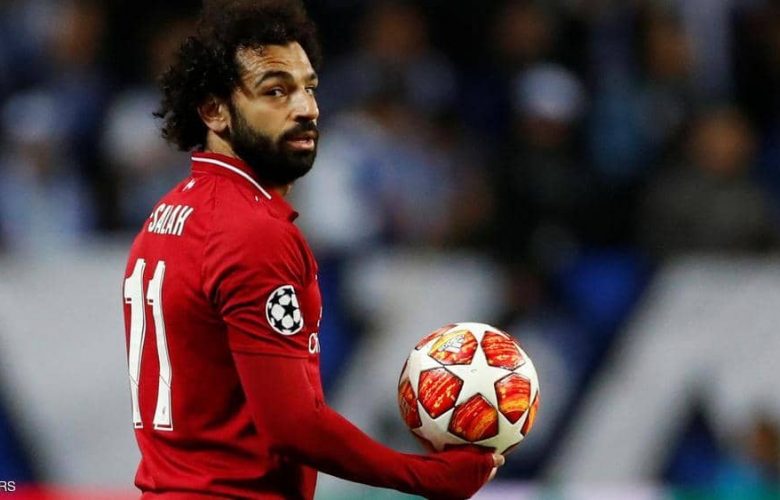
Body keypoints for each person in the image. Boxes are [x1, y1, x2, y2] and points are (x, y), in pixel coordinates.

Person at [121, 1, 503, 498]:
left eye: (308, 88)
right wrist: (427, 477)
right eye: (275, 91)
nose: (306, 109)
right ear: (214, 111)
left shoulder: (168, 213)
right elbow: (293, 425)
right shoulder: (253, 232)